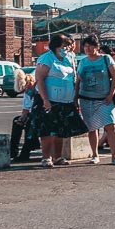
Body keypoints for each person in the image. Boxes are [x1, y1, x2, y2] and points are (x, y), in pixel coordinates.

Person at [33, 33, 87, 168]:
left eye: (68, 46)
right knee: (48, 130)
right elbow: (40, 80)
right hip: (49, 100)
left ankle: (58, 156)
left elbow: (73, 78)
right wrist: (45, 100)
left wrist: (74, 98)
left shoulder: (69, 58)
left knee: (61, 130)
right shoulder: (46, 58)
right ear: (56, 46)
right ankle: (46, 157)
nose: (67, 48)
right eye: (64, 46)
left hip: (66, 100)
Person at [75, 34, 115, 166]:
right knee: (92, 128)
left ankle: (114, 156)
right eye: (85, 46)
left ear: (97, 47)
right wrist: (75, 98)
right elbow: (78, 81)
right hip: (86, 98)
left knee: (111, 126)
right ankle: (95, 155)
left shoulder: (106, 59)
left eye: (91, 46)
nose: (88, 49)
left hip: (104, 99)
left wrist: (110, 95)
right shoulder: (83, 62)